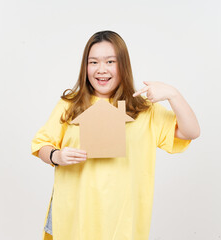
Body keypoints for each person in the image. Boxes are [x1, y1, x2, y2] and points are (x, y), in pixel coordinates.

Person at [31, 30, 200, 240]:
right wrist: (57, 156)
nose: (101, 70)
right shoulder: (70, 105)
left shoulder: (144, 110)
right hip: (75, 216)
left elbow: (190, 132)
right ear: (85, 67)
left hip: (122, 221)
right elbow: (41, 145)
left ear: (123, 65)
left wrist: (173, 95)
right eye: (93, 62)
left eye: (110, 61)